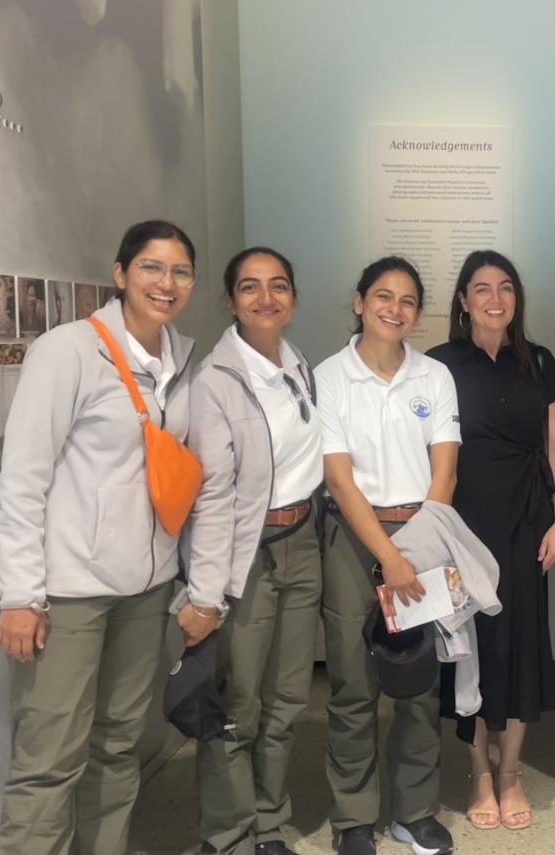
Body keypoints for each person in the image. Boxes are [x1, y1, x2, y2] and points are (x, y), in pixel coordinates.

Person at [0, 220, 198, 855]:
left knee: (117, 747)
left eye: (180, 272)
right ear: (121, 273)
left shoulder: (183, 357)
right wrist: (20, 595)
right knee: (49, 757)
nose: (166, 283)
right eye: (152, 268)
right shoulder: (68, 350)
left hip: (146, 587)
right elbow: (24, 479)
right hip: (69, 593)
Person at [317, 256, 460, 855]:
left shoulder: (434, 376)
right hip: (353, 537)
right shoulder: (328, 376)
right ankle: (354, 817)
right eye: (383, 296)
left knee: (419, 681)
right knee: (353, 685)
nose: (394, 309)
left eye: (406, 301)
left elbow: (445, 466)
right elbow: (340, 478)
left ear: (416, 313)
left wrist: (417, 546)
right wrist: (387, 556)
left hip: (423, 530)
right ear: (359, 302)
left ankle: (415, 812)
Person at [185, 247, 324, 855]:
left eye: (278, 286)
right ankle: (229, 833)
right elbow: (213, 497)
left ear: (294, 296)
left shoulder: (299, 363)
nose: (266, 299)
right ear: (230, 299)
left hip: (302, 546)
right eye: (250, 287)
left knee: (290, 699)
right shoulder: (214, 382)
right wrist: (207, 593)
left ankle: (268, 822)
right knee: (238, 703)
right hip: (247, 554)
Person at [427, 250, 555, 832]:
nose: (494, 298)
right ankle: (478, 772)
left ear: (517, 299)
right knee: (473, 645)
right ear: (462, 300)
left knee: (521, 642)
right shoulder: (438, 365)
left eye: (505, 287)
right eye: (480, 288)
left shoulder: (539, 361)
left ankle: (510, 772)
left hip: (529, 521)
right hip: (463, 523)